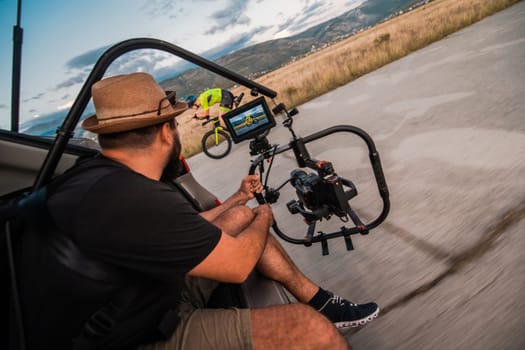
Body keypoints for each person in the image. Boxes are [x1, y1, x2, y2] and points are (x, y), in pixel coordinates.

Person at [15, 72, 378, 350]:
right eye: (174, 124)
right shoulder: (133, 197)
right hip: (127, 337)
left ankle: (322, 300)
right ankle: (318, 315)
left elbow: (175, 232)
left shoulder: (104, 179)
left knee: (241, 218)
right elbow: (236, 267)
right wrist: (266, 216)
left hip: (137, 297)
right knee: (306, 327)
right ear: (164, 132)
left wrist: (239, 201)